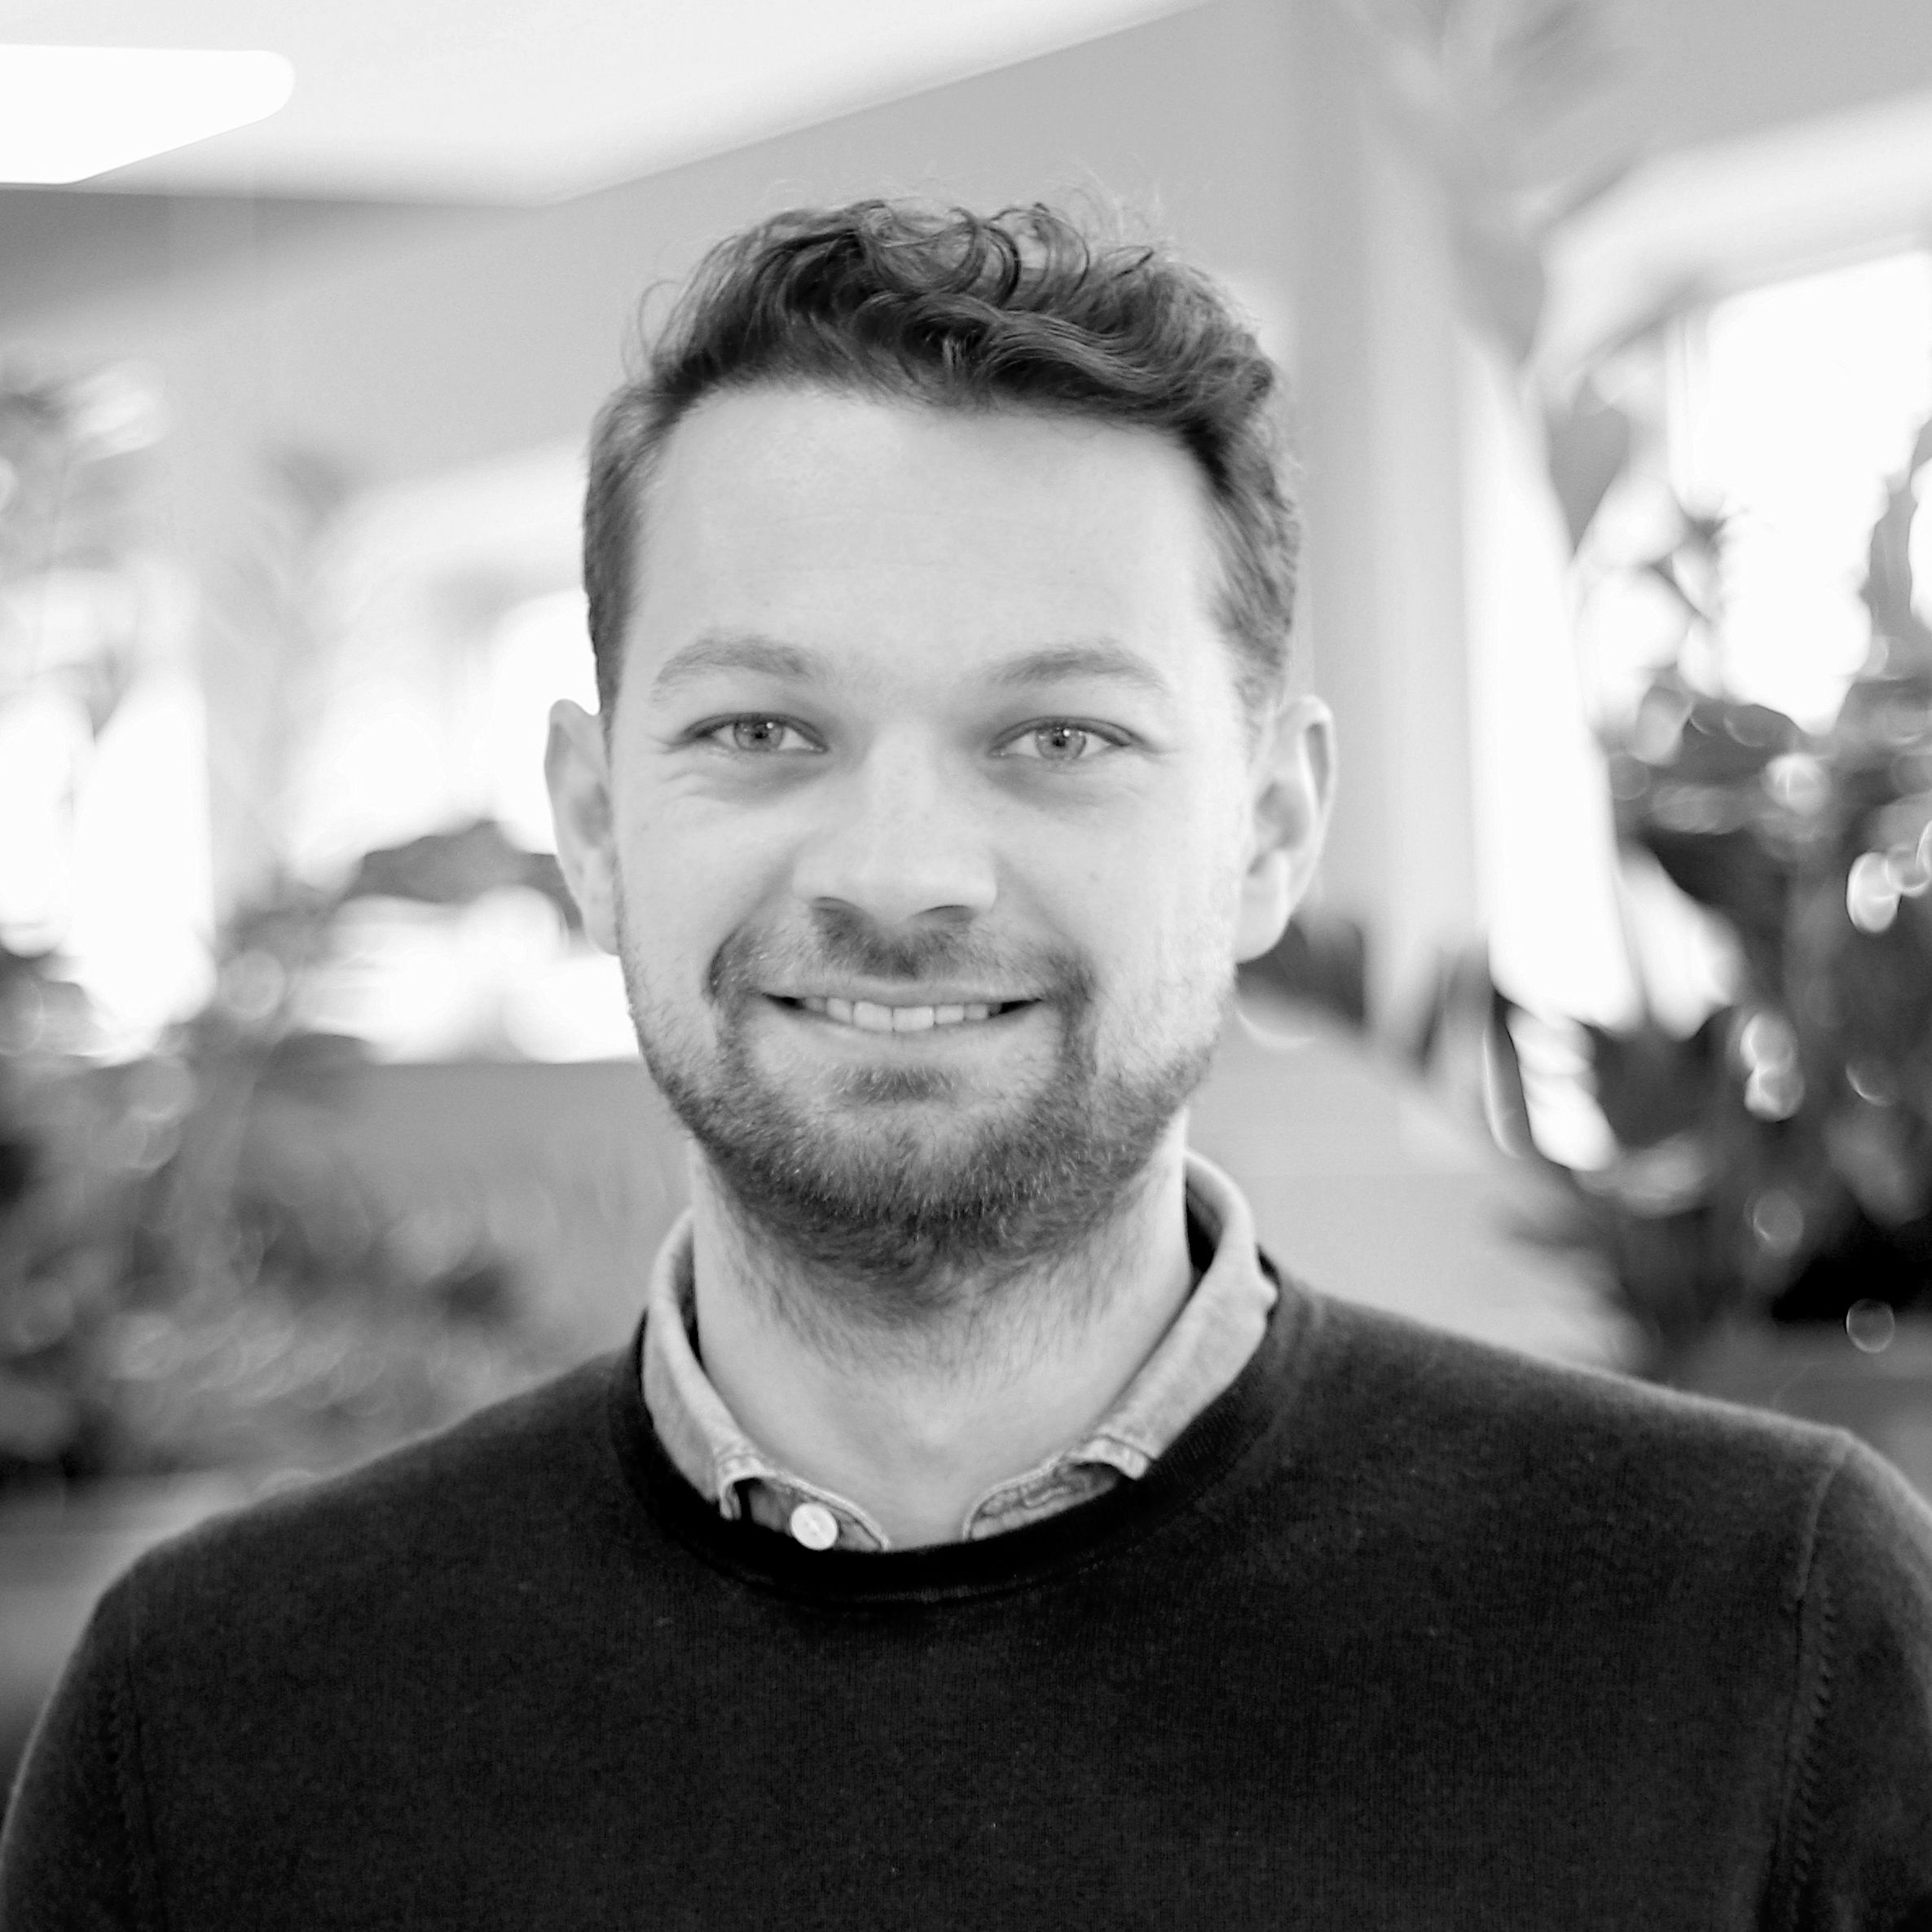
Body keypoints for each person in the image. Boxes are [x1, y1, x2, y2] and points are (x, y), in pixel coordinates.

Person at [3, 198, 1930, 1930]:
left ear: (1269, 829)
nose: (902, 874)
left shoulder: (1763, 1631)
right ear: (592, 824)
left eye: (1058, 737)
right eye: (762, 729)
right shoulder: (220, 1715)